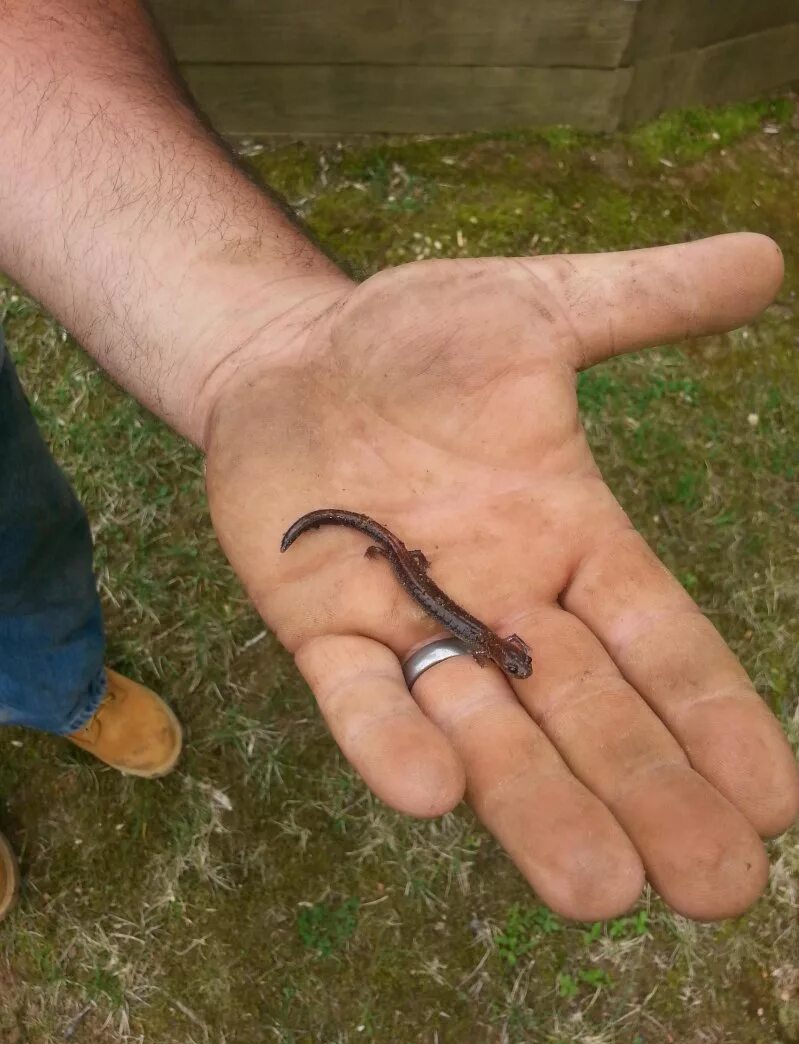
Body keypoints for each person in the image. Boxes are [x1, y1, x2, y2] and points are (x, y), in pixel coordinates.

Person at [0, 0, 797, 927]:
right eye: (510, 654)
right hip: (402, 562)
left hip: (393, 557)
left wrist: (256, 336)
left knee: (15, 540)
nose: (514, 656)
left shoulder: (467, 629)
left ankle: (62, 689)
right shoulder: (471, 635)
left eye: (512, 655)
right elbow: (443, 616)